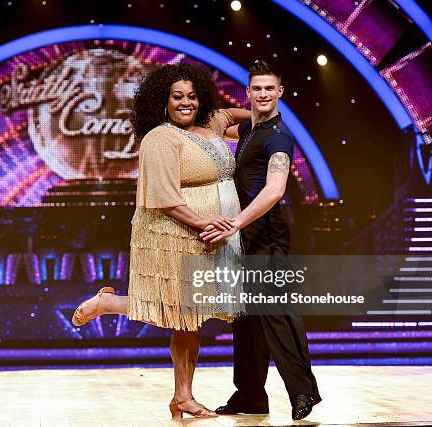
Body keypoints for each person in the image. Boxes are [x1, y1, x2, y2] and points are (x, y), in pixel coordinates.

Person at [71, 63, 250, 419]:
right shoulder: (160, 138)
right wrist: (203, 223)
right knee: (184, 316)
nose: (186, 103)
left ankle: (178, 393)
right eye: (177, 97)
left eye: (192, 96)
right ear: (162, 101)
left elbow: (237, 115)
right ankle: (182, 394)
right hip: (175, 231)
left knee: (190, 316)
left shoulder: (210, 124)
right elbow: (165, 197)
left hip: (213, 233)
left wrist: (265, 108)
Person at [200, 60, 321, 420]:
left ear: (280, 93)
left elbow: (275, 189)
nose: (264, 94)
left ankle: (303, 391)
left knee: (277, 315)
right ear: (249, 92)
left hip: (266, 236)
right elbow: (216, 118)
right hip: (245, 238)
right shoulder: (250, 129)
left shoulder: (278, 137)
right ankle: (250, 395)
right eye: (258, 89)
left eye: (271, 88)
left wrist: (235, 223)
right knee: (246, 319)